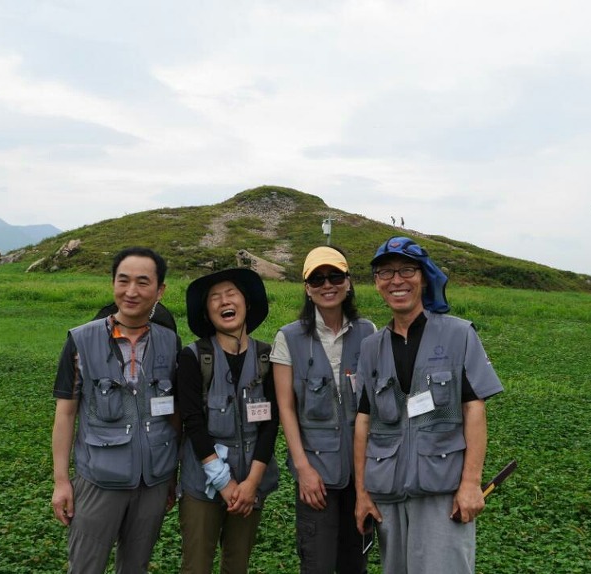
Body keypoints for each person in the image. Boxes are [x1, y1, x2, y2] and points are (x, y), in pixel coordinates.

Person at [353, 237, 504, 574]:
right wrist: (362, 492)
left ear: (423, 276)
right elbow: (364, 421)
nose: (396, 280)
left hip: (442, 490)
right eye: (385, 272)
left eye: (407, 270)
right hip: (388, 493)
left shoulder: (458, 335)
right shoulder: (370, 347)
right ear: (376, 282)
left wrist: (470, 484)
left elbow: (474, 409)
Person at [51, 246, 182, 574]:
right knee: (85, 566)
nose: (131, 291)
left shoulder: (170, 342)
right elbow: (66, 413)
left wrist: (171, 476)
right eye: (123, 281)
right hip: (99, 480)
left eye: (142, 282)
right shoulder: (81, 341)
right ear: (113, 284)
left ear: (160, 290)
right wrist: (61, 481)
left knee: (135, 567)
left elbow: (173, 415)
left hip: (153, 482)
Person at [271, 246, 377, 573]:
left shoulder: (368, 332)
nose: (326, 285)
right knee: (316, 561)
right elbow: (286, 408)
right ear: (306, 287)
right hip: (316, 473)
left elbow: (374, 403)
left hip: (362, 474)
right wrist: (303, 469)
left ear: (348, 282)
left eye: (335, 276)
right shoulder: (288, 338)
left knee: (354, 560)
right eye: (317, 278)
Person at [177, 267, 281, 574]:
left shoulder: (267, 357)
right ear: (207, 313)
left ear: (246, 304)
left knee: (237, 565)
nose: (225, 301)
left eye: (231, 293)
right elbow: (193, 422)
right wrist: (223, 482)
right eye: (215, 297)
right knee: (196, 565)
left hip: (251, 482)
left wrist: (251, 483)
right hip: (204, 483)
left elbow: (270, 424)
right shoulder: (193, 357)